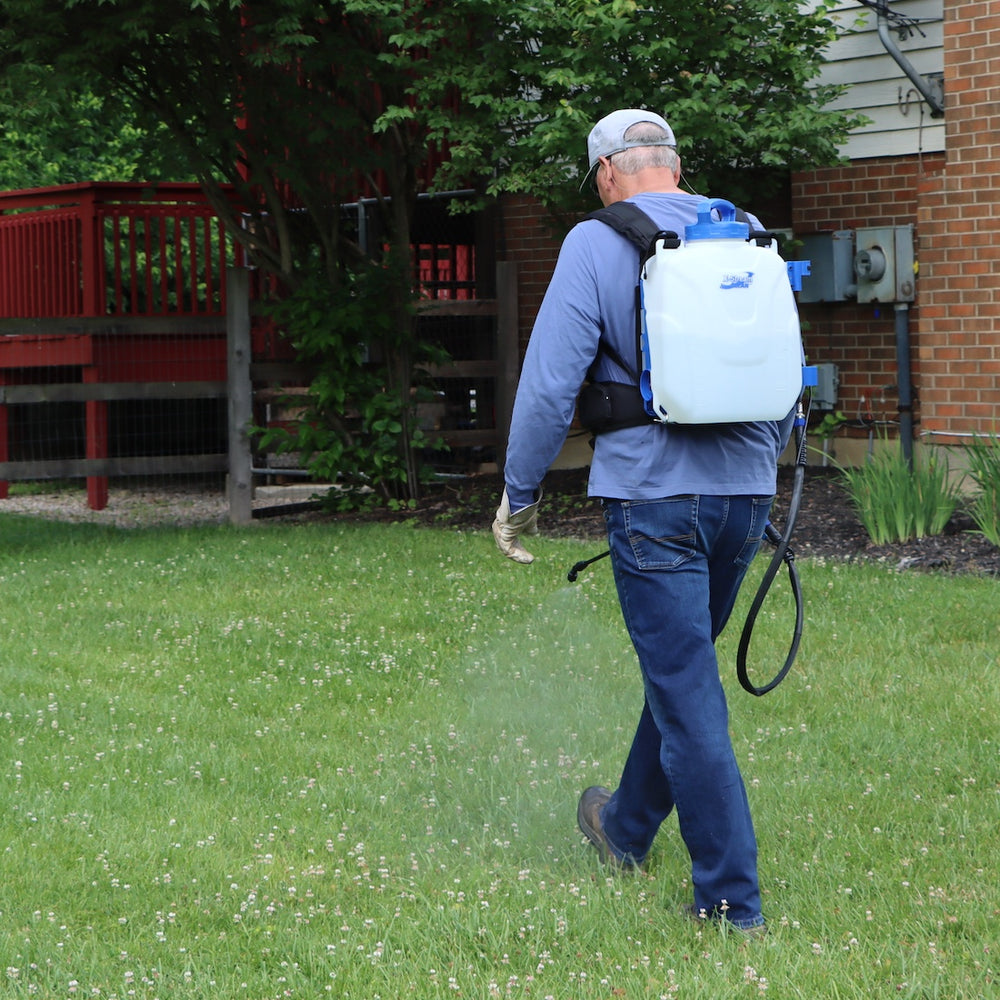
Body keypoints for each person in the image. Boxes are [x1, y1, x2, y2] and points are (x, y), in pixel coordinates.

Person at [492, 108, 796, 936]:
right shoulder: (744, 230)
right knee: (681, 672)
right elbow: (780, 367)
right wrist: (754, 469)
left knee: (687, 693)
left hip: (654, 502)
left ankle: (731, 904)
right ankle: (624, 827)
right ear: (673, 164)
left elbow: (552, 381)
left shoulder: (595, 241)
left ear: (606, 174)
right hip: (744, 497)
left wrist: (520, 493)